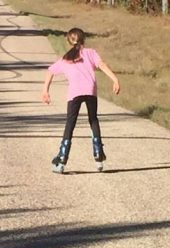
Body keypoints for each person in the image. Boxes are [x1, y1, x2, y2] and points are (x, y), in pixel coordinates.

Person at [42, 27, 120, 172]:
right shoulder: (91, 53)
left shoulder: (65, 59)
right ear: (84, 40)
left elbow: (50, 71)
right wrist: (115, 79)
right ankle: (98, 154)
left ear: (68, 41)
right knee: (93, 119)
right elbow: (102, 65)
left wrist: (45, 91)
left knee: (70, 124)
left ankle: (62, 158)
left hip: (75, 93)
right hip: (90, 91)